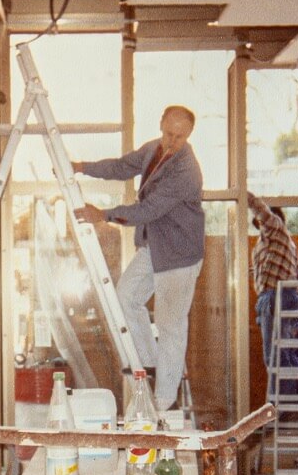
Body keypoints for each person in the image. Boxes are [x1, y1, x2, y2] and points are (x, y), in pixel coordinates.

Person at [72, 105, 205, 412]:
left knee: (172, 324)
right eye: (169, 133)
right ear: (161, 125)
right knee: (126, 297)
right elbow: (121, 167)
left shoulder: (187, 170)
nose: (172, 142)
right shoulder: (153, 150)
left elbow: (149, 210)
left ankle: (164, 398)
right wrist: (81, 166)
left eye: (180, 137)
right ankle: (150, 363)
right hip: (154, 245)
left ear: (188, 136)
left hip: (180, 255)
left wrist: (104, 215)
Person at [248, 192, 298, 367]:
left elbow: (262, 211)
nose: (261, 226)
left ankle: (277, 395)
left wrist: (244, 194)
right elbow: (293, 272)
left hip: (275, 296)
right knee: (286, 355)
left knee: (274, 358)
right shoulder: (283, 241)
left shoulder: (276, 227)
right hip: (285, 296)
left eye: (260, 223)